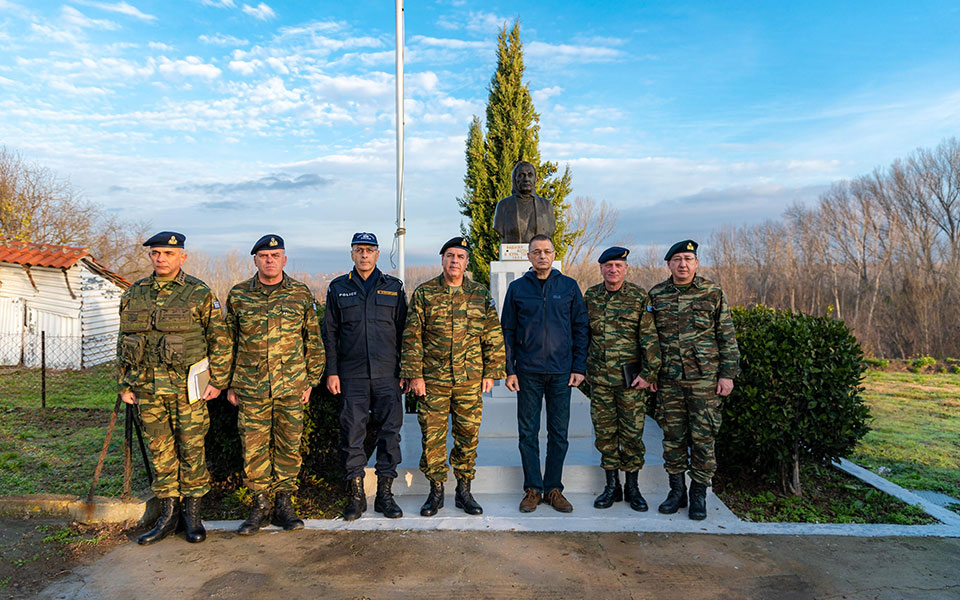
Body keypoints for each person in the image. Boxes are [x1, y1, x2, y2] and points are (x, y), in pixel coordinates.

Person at [116, 231, 230, 545]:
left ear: (182, 256)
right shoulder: (134, 293)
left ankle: (192, 517)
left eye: (168, 253)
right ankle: (167, 517)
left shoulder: (198, 293)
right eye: (156, 253)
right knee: (160, 453)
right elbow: (124, 341)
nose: (161, 258)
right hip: (148, 390)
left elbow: (219, 340)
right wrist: (125, 383)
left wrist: (217, 381)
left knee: (192, 450)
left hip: (188, 390)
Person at [224, 234, 325, 535]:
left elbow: (313, 340)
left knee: (289, 446)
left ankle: (284, 503)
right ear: (255, 260)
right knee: (253, 448)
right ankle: (259, 505)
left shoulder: (300, 293)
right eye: (264, 256)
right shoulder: (239, 295)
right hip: (251, 387)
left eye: (275, 255)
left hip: (291, 386)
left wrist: (311, 379)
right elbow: (227, 342)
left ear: (284, 259)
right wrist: (228, 383)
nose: (270, 260)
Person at [400, 237, 505, 517]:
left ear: (467, 262)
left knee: (468, 435)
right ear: (442, 260)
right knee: (432, 437)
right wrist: (414, 375)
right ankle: (435, 492)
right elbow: (412, 337)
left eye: (460, 256)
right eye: (449, 255)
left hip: (469, 379)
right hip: (433, 380)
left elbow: (492, 334)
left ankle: (464, 491)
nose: (454, 261)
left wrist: (492, 372)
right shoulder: (425, 293)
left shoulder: (480, 294)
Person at [648, 240, 740, 520]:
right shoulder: (657, 295)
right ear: (668, 264)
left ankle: (699, 492)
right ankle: (677, 492)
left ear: (696, 263)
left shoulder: (712, 293)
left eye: (688, 259)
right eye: (677, 259)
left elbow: (726, 334)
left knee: (703, 437)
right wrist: (651, 373)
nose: (683, 264)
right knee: (672, 437)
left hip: (704, 380)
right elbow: (649, 340)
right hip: (669, 380)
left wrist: (727, 374)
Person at [501, 234, 589, 513]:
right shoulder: (517, 288)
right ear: (528, 256)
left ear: (554, 255)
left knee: (558, 433)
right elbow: (508, 332)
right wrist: (510, 369)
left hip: (562, 373)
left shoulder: (569, 286)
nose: (542, 256)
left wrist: (578, 367)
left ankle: (553, 488)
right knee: (528, 432)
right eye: (536, 251)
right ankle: (532, 488)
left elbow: (580, 329)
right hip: (528, 372)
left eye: (547, 251)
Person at [323, 232, 407, 521]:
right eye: (359, 250)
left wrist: (405, 371)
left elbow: (405, 332)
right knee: (352, 435)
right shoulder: (338, 288)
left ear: (377, 254)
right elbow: (330, 334)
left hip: (388, 375)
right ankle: (356, 496)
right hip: (352, 376)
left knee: (389, 435)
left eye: (369, 250)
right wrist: (332, 372)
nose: (364, 255)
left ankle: (385, 494)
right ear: (352, 254)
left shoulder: (393, 288)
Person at [583, 247, 661, 512]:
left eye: (618, 265)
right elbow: (584, 336)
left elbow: (649, 338)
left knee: (631, 435)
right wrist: (584, 371)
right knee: (605, 435)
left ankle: (633, 488)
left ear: (626, 269)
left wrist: (649, 374)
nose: (613, 270)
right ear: (601, 269)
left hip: (631, 382)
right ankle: (611, 487)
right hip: (600, 380)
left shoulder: (639, 297)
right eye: (608, 265)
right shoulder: (591, 296)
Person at [492, 161, 557, 244]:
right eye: (521, 175)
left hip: (537, 254)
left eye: (530, 175)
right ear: (515, 179)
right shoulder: (503, 205)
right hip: (512, 253)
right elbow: (499, 228)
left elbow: (550, 228)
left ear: (535, 179)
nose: (526, 179)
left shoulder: (546, 206)